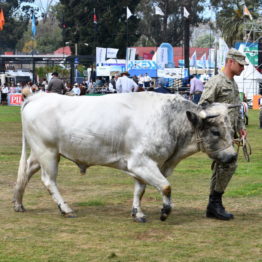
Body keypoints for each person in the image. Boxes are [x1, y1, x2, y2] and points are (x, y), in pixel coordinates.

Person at [199, 48, 248, 220]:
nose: (243, 68)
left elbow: (236, 108)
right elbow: (203, 107)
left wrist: (240, 127)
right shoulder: (216, 82)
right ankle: (215, 203)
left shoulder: (233, 83)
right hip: (218, 135)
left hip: (229, 134)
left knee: (221, 167)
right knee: (229, 164)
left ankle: (213, 205)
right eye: (241, 65)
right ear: (230, 62)